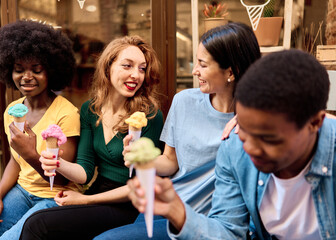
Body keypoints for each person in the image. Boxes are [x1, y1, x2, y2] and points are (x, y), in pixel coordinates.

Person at [128, 49, 336, 240]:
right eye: (244, 131)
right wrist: (177, 212)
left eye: (268, 139)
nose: (251, 149)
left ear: (315, 123)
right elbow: (229, 230)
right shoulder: (234, 148)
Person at [95, 22, 261, 240]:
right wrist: (141, 158)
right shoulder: (184, 101)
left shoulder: (256, 123)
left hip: (205, 222)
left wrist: (253, 119)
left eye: (203, 64)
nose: (194, 71)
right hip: (164, 206)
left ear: (230, 71)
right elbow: (170, 162)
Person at [19, 35, 164, 239]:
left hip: (129, 203)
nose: (136, 75)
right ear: (108, 67)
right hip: (97, 192)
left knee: (38, 224)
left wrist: (84, 200)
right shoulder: (91, 110)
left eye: (142, 68)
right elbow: (85, 170)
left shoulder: (149, 115)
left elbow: (142, 185)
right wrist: (57, 162)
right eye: (127, 66)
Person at [0, 20, 81, 240]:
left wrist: (30, 153)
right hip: (22, 192)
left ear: (51, 71)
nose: (27, 76)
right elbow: (16, 161)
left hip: (55, 197)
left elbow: (61, 180)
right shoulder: (13, 112)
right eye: (19, 70)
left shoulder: (66, 114)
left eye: (37, 70)